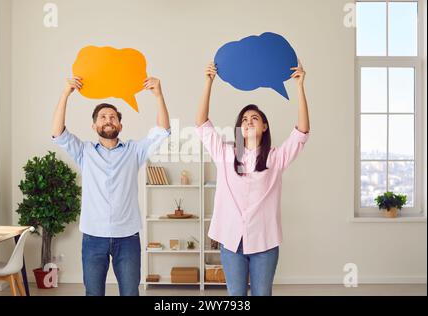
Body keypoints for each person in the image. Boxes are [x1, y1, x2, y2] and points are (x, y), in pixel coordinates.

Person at [195, 60, 310, 296]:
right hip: (231, 242)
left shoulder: (275, 158)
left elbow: (302, 133)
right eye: (244, 119)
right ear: (239, 129)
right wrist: (208, 82)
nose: (248, 121)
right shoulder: (226, 153)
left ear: (265, 127)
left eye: (254, 118)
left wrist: (300, 87)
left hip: (264, 244)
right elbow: (202, 124)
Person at [51, 76, 170, 296]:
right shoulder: (84, 151)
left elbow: (163, 131)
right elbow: (58, 133)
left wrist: (158, 95)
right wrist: (65, 93)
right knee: (94, 294)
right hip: (93, 237)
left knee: (130, 293)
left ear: (120, 125)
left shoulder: (134, 151)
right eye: (103, 117)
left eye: (113, 117)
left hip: (128, 237)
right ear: (94, 125)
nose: (108, 120)